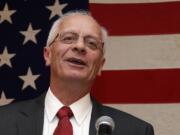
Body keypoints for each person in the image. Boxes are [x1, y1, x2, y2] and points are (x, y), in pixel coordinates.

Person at [0, 11, 154, 135]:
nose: (80, 46)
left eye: (91, 43)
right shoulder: (3, 121)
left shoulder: (136, 131)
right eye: (68, 38)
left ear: (100, 65)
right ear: (48, 55)